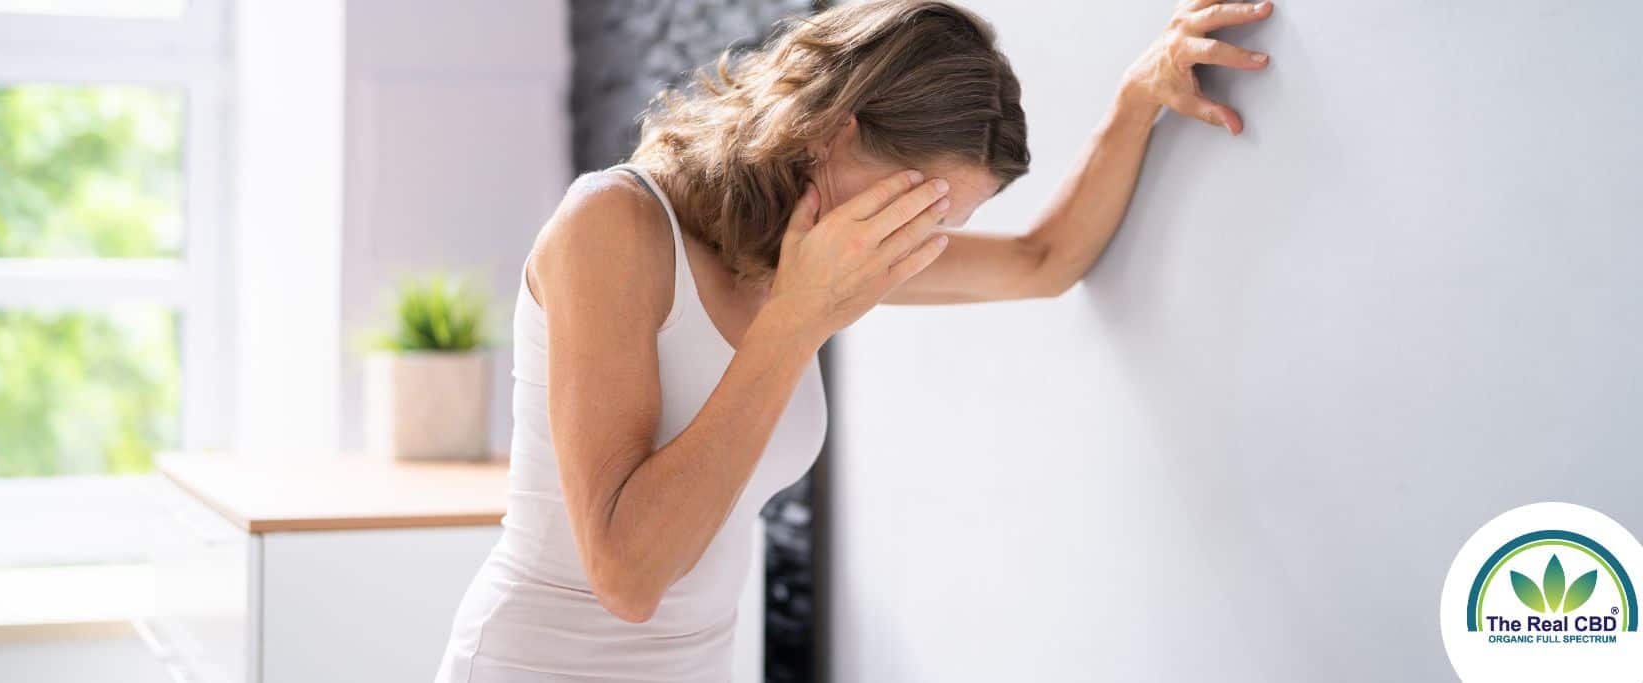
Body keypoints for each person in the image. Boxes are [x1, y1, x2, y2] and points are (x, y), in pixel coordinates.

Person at [436, 1, 1273, 681]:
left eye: (943, 224)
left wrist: (1137, 99)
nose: (915, 242)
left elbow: (1041, 261)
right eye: (914, 207)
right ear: (833, 129)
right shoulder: (614, 224)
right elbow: (627, 575)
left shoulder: (806, 250)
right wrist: (796, 318)